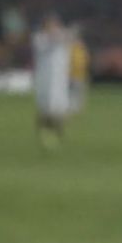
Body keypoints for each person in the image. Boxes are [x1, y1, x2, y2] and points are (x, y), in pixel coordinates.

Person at [32, 14, 81, 150]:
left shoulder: (62, 39)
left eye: (55, 25)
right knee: (46, 111)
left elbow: (71, 41)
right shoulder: (40, 38)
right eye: (50, 25)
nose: (53, 28)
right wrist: (67, 33)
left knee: (62, 110)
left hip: (60, 83)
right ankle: (44, 132)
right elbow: (53, 40)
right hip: (44, 82)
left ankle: (57, 135)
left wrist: (71, 33)